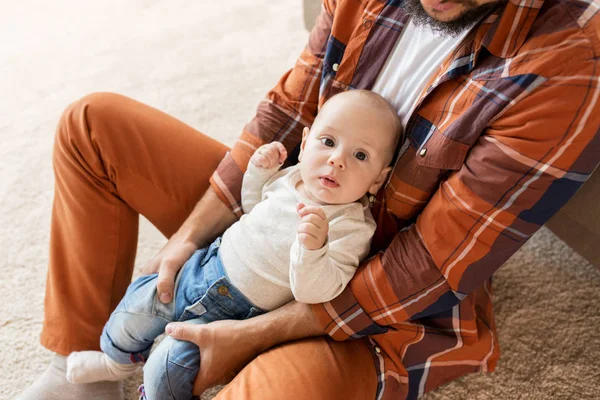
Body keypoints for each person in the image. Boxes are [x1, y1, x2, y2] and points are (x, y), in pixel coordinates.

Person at [18, 0, 600, 398]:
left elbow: (427, 267)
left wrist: (252, 335)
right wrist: (186, 241)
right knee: (92, 124)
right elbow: (286, 114)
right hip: (271, 228)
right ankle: (83, 375)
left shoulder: (566, 67)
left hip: (377, 312)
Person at [62, 90, 401, 399]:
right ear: (306, 139)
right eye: (328, 141)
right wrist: (257, 171)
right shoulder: (290, 177)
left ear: (379, 178)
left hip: (239, 318)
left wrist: (314, 250)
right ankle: (115, 363)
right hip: (203, 268)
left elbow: (316, 292)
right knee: (137, 303)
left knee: (169, 365)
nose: (337, 160)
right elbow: (253, 207)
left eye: (360, 155)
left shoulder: (351, 227)